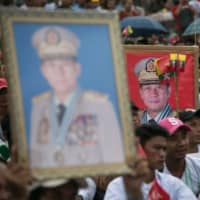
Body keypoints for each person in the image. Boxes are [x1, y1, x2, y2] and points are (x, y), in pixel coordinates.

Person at [30, 26, 124, 168]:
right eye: (52, 65)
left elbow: (114, 159)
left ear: (77, 68)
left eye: (65, 65)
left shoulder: (100, 106)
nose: (59, 72)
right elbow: (36, 157)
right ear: (43, 71)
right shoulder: (38, 106)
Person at [104, 123, 197, 199]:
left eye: (164, 149)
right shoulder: (118, 186)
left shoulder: (172, 184)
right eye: (157, 148)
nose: (162, 154)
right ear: (139, 148)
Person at [159, 117, 200, 197]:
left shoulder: (197, 166)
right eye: (173, 138)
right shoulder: (155, 173)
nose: (181, 143)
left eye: (184, 137)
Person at [134, 57, 176, 124]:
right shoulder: (134, 120)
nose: (153, 94)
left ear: (168, 91)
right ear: (141, 93)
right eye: (147, 88)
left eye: (159, 87)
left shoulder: (180, 120)